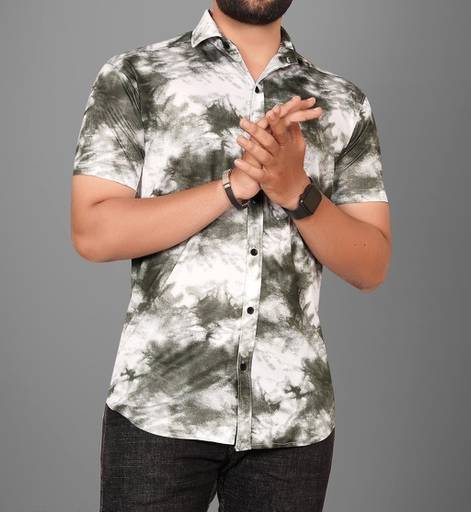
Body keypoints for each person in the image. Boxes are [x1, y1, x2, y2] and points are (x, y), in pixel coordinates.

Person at [71, 1, 392, 510]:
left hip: (291, 421)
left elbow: (371, 266)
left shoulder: (341, 102)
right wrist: (233, 186)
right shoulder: (137, 77)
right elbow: (94, 233)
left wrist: (296, 190)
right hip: (160, 408)